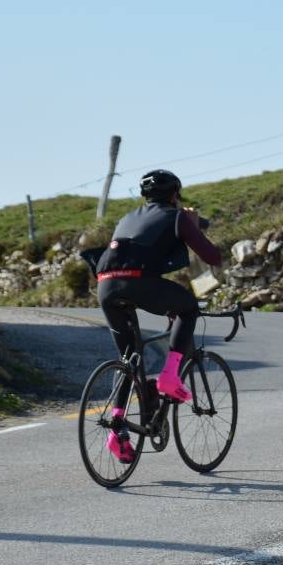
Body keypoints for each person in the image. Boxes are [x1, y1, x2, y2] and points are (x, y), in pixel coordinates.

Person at [91, 169, 224, 462]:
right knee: (188, 307)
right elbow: (212, 257)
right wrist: (192, 223)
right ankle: (169, 376)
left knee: (129, 358)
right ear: (175, 195)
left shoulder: (126, 218)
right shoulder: (177, 217)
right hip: (138, 282)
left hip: (106, 285)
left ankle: (117, 430)